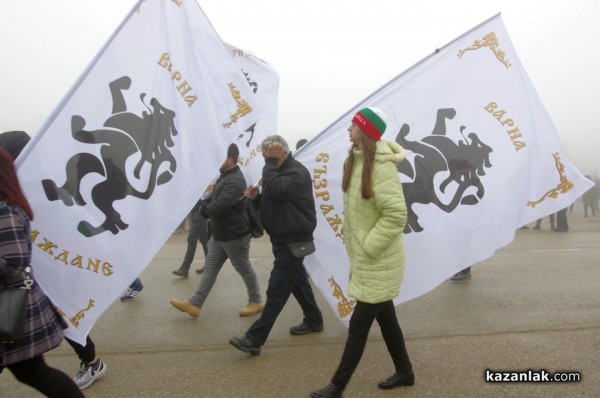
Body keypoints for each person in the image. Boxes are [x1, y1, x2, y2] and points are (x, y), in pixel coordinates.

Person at [310, 108, 413, 398]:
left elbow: (396, 214)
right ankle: (405, 371)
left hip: (378, 259)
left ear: (365, 130)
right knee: (387, 320)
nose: (348, 129)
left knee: (358, 327)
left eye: (354, 125)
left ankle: (337, 386)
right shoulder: (356, 162)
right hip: (368, 260)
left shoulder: (382, 167)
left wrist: (368, 244)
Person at [1, 130, 106, 390]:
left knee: (64, 313)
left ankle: (91, 360)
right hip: (28, 274)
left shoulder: (34, 189)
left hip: (44, 270)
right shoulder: (19, 191)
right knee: (33, 369)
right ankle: (91, 359)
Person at [229, 135, 323, 356]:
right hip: (283, 238)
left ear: (282, 152)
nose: (266, 160)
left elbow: (278, 190)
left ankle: (254, 338)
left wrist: (270, 164)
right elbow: (275, 199)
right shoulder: (278, 173)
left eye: (268, 156)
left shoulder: (297, 172)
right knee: (298, 283)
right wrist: (256, 199)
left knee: (277, 289)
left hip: (294, 239)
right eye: (264, 157)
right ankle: (314, 320)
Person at [169, 144, 263, 318]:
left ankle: (255, 301)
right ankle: (195, 304)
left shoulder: (235, 180)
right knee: (210, 268)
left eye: (219, 156)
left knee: (243, 267)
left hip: (235, 234)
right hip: (220, 233)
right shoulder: (224, 177)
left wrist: (203, 209)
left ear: (229, 159)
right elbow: (211, 199)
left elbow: (218, 206)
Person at [172, 198, 210, 277]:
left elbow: (209, 194)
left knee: (192, 239)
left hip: (200, 210)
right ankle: (210, 265)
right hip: (193, 210)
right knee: (204, 239)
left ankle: (185, 267)